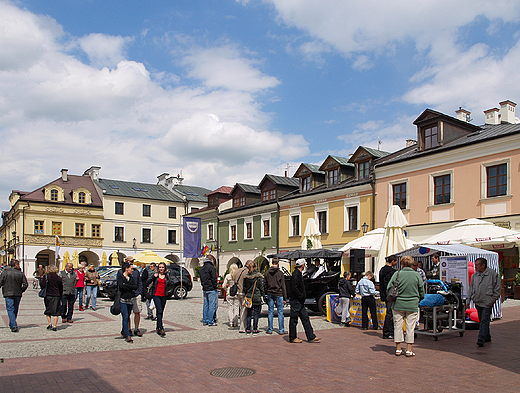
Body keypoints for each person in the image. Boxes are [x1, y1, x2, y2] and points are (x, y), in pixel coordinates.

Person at [387, 255, 425, 357]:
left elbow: (389, 287)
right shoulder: (416, 275)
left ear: (402, 264)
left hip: (398, 304)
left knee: (398, 326)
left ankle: (398, 348)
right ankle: (409, 349)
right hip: (412, 304)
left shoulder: (397, 274)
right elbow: (422, 289)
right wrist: (419, 298)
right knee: (410, 327)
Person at [467, 257, 501, 347]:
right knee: (483, 319)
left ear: (483, 265)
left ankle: (481, 338)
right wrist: (468, 299)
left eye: (477, 265)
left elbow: (497, 288)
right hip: (478, 301)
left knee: (484, 320)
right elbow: (471, 288)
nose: (476, 267)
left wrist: (492, 299)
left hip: (487, 301)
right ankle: (487, 336)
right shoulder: (475, 275)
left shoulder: (492, 274)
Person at [289, 259, 321, 343]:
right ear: (302, 265)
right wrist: (301, 295)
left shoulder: (298, 273)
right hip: (296, 300)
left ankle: (311, 336)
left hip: (300, 301)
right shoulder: (296, 274)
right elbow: (295, 288)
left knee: (305, 318)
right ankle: (292, 337)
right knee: (294, 319)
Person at [0, 259, 28, 332]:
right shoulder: (20, 273)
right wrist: (21, 290)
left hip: (7, 293)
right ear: (16, 265)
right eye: (18, 264)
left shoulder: (5, 273)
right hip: (17, 293)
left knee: (10, 309)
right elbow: (26, 284)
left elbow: (0, 282)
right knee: (15, 309)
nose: (19, 266)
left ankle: (13, 324)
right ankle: (13, 324)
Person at [146, 262, 173, 337]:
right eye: (160, 267)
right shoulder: (155, 275)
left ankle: (158, 327)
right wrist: (153, 277)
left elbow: (171, 283)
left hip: (164, 295)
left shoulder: (166, 275)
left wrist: (168, 275)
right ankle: (161, 328)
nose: (161, 269)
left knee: (161, 312)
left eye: (162, 267)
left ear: (165, 268)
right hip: (156, 295)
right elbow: (148, 282)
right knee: (159, 310)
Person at [263, 257, 287, 334]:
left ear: (272, 263)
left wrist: (267, 291)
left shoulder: (267, 273)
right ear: (278, 263)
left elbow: (264, 284)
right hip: (279, 293)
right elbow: (283, 285)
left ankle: (270, 329)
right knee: (280, 311)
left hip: (270, 293)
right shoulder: (280, 273)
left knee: (270, 311)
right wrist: (285, 297)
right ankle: (281, 330)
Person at [117, 262, 137, 343]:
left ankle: (123, 330)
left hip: (130, 300)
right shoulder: (120, 277)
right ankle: (127, 335)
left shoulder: (131, 278)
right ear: (126, 268)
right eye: (131, 269)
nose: (132, 270)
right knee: (125, 317)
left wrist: (126, 285)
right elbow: (121, 287)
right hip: (123, 300)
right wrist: (129, 286)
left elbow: (135, 286)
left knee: (128, 316)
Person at [243, 261, 265, 335]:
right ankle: (255, 329)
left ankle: (248, 329)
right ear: (255, 267)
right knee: (256, 314)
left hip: (249, 296)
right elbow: (261, 287)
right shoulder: (258, 277)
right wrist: (263, 295)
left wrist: (246, 293)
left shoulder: (246, 277)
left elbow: (244, 287)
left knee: (249, 313)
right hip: (256, 296)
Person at [379, 255, 397, 339]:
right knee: (390, 313)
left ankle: (388, 331)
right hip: (390, 294)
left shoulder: (382, 270)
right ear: (393, 261)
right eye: (396, 261)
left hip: (384, 294)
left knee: (389, 312)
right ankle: (388, 332)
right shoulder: (392, 272)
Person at [40, 264, 63, 331]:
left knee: (48, 309)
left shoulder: (46, 277)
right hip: (56, 295)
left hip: (48, 295)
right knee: (56, 311)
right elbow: (61, 288)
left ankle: (49, 323)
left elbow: (42, 285)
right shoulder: (58, 278)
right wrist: (61, 296)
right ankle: (55, 326)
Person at [125, 257, 143, 337]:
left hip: (136, 294)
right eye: (130, 261)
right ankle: (128, 329)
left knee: (137, 311)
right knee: (127, 313)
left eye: (133, 261)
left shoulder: (136, 272)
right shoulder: (123, 272)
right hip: (127, 295)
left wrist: (139, 292)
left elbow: (140, 282)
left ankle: (136, 328)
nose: (132, 262)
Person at [199, 255, 218, 326]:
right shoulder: (211, 268)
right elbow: (214, 278)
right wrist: (215, 286)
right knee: (212, 305)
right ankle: (211, 321)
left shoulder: (201, 268)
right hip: (211, 288)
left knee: (205, 305)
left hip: (205, 288)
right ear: (212, 260)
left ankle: (205, 320)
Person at [233, 260, 251, 333]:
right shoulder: (247, 272)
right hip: (244, 293)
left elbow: (234, 280)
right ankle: (243, 327)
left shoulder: (238, 271)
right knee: (244, 310)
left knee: (241, 308)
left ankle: (243, 325)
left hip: (238, 292)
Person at [222, 263, 240, 328]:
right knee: (236, 308)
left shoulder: (228, 276)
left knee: (230, 308)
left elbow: (223, 285)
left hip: (229, 293)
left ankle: (231, 322)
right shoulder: (238, 276)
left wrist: (227, 289)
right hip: (236, 293)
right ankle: (235, 322)